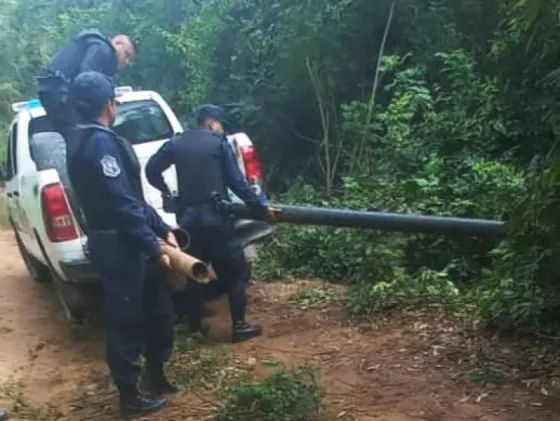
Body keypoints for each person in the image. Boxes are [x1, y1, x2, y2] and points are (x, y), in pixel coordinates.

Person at [67, 71, 176, 419]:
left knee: (158, 310)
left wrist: (161, 227)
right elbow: (121, 204)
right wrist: (154, 245)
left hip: (128, 239)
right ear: (109, 103)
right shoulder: (98, 143)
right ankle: (130, 398)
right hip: (117, 244)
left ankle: (156, 374)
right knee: (125, 320)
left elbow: (133, 199)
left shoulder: (95, 138)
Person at [145, 104, 278, 343]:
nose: (222, 130)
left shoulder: (176, 143)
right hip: (216, 221)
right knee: (235, 272)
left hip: (188, 223)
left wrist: (166, 191)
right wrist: (260, 206)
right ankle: (239, 326)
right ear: (211, 122)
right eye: (221, 125)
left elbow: (151, 169)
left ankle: (195, 328)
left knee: (196, 271)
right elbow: (237, 182)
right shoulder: (218, 144)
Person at [36, 29, 134, 139]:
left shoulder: (94, 44)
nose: (127, 61)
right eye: (127, 54)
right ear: (117, 44)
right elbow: (86, 79)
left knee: (72, 135)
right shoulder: (103, 49)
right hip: (59, 94)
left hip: (51, 90)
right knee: (79, 134)